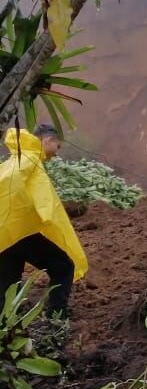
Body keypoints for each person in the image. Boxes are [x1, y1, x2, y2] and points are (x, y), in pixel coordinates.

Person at [0, 123, 88, 319]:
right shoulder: (31, 160)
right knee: (64, 267)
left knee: (8, 283)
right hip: (20, 230)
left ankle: (4, 328)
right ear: (47, 140)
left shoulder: (13, 160)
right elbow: (46, 205)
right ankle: (56, 319)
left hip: (4, 234)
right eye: (57, 147)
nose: (56, 154)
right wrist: (51, 226)